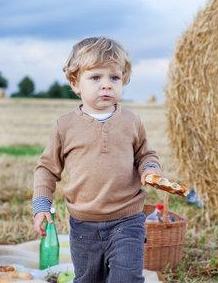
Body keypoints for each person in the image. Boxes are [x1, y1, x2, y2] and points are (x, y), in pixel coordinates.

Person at [33, 37, 165, 283]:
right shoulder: (65, 126)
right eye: (96, 78)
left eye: (114, 78)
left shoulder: (132, 121)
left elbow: (146, 154)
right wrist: (41, 206)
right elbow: (46, 170)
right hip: (84, 224)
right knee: (88, 279)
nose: (106, 85)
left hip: (127, 220)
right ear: (75, 84)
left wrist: (149, 168)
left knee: (127, 278)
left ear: (123, 80)